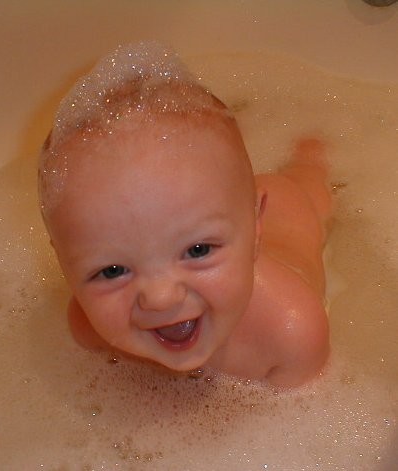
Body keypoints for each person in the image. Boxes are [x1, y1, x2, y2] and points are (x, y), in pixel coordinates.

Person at [39, 42, 332, 388]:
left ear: (255, 228)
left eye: (199, 250)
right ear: (65, 267)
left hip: (289, 213)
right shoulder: (89, 326)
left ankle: (310, 155)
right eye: (113, 270)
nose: (161, 297)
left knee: (311, 189)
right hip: (216, 205)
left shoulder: (291, 335)